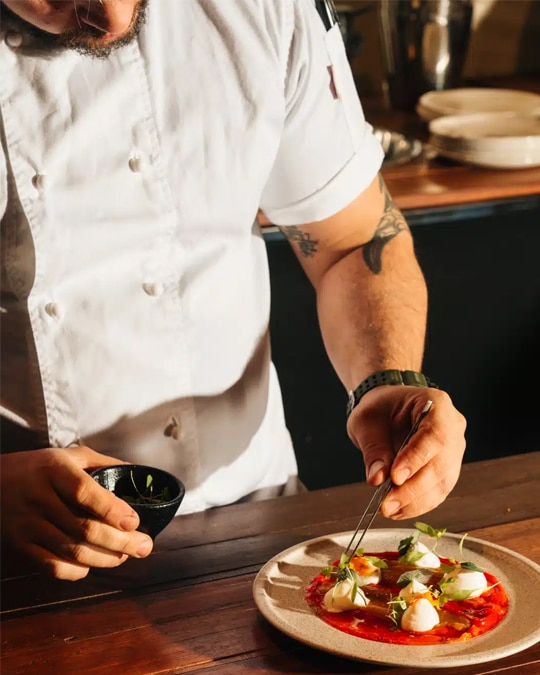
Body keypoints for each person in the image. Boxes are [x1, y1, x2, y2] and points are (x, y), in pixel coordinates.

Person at [0, 0, 466, 582]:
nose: (114, 18)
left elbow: (353, 239)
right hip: (19, 571)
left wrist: (385, 380)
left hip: (258, 531)